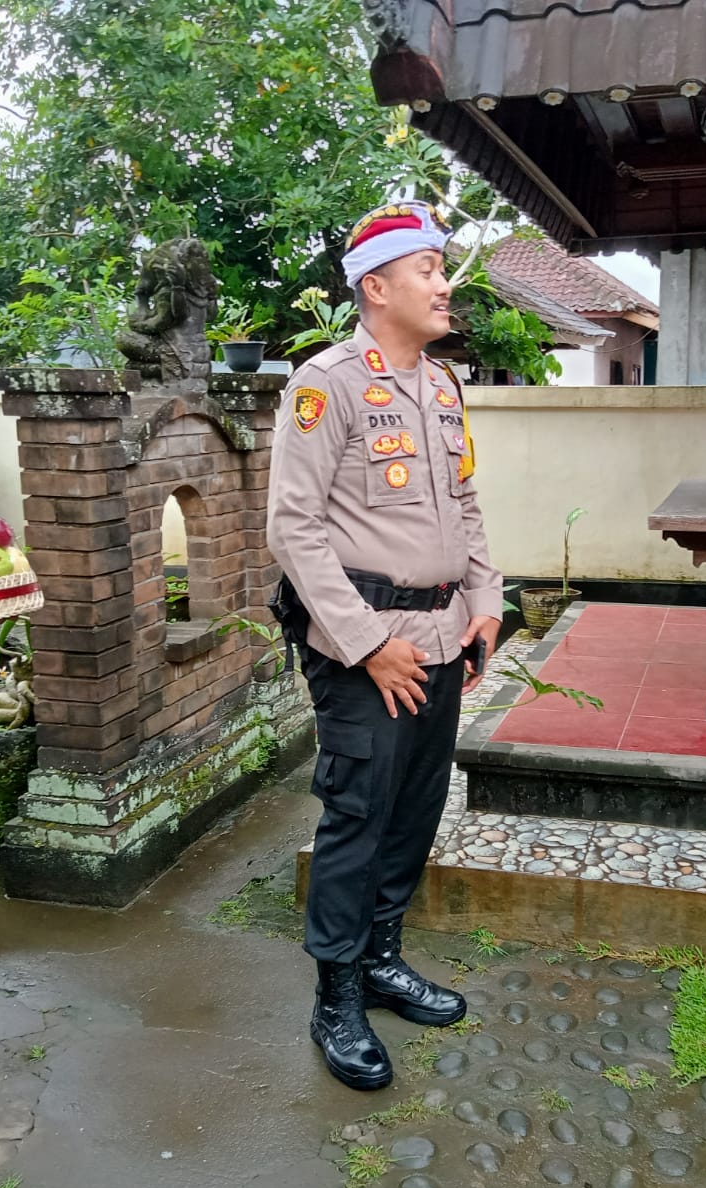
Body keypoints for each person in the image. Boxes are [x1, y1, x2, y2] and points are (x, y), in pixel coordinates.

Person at [267, 200, 503, 1091]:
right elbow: (292, 528)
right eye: (429, 271)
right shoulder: (324, 385)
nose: (445, 285)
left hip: (442, 637)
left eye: (441, 269)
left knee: (414, 809)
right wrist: (368, 646)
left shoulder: (442, 387)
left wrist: (487, 603)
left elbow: (467, 507)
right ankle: (335, 995)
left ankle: (381, 959)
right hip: (363, 647)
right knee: (358, 817)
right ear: (377, 288)